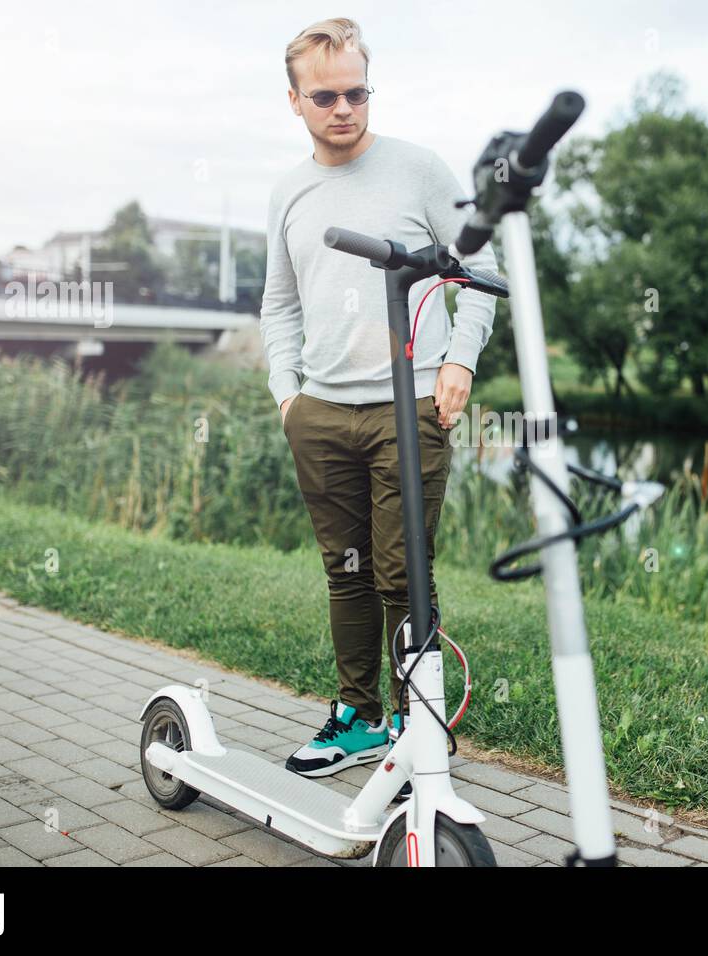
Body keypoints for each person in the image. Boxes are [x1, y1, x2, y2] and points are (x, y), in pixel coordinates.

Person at [258, 18, 498, 795]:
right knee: (348, 570)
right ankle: (359, 717)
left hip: (409, 406)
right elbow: (279, 303)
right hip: (321, 412)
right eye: (324, 96)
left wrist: (459, 359)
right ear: (294, 100)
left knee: (405, 572)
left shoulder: (419, 169)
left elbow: (480, 269)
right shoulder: (288, 192)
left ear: (369, 89)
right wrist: (286, 393)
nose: (343, 108)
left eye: (356, 92)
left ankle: (416, 724)